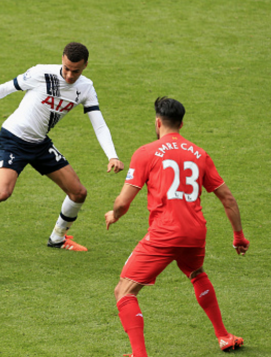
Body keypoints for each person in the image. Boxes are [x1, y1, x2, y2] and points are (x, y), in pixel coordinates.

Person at [0, 42, 124, 251]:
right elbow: (6, 88)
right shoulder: (41, 74)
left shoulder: (86, 88)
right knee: (2, 192)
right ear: (62, 60)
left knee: (78, 193)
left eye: (76, 71)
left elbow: (98, 123)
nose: (70, 75)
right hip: (14, 139)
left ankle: (58, 238)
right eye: (66, 69)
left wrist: (112, 155)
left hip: (39, 144)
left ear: (85, 66)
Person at [104, 97, 250, 356]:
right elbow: (228, 198)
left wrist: (114, 214)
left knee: (124, 291)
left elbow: (123, 202)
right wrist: (239, 236)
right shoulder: (200, 154)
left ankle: (139, 354)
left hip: (164, 234)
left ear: (157, 122)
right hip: (195, 233)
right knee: (196, 273)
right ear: (181, 123)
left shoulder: (146, 152)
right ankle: (224, 336)